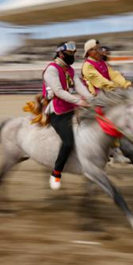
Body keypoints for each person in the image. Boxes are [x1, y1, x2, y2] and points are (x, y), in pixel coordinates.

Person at [42, 41, 92, 190]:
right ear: (60, 53)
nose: (72, 57)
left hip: (71, 106)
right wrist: (79, 101)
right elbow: (59, 92)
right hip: (58, 111)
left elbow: (79, 86)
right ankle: (56, 173)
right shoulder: (51, 70)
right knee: (68, 142)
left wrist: (91, 99)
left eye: (73, 54)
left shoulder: (70, 69)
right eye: (70, 54)